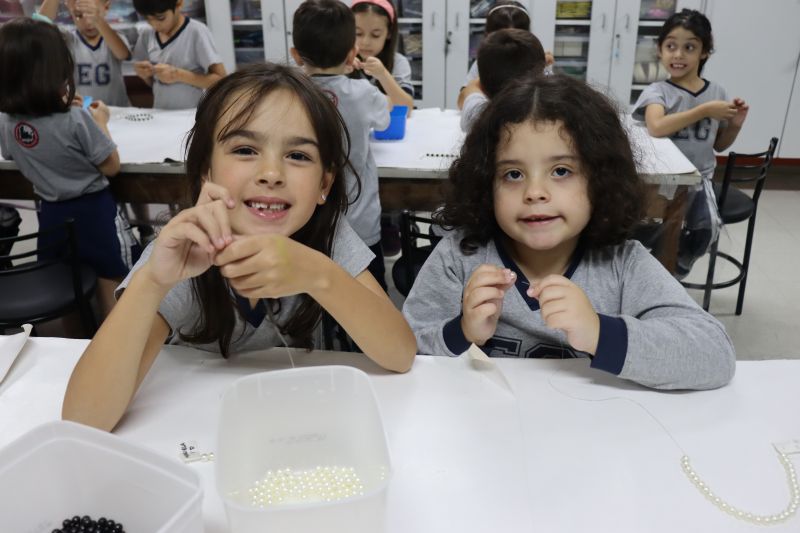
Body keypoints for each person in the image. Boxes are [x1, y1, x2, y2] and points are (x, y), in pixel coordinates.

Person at [62, 63, 417, 431]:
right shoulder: (182, 254)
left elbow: (400, 354)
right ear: (206, 171)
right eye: (245, 149)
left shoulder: (328, 237)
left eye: (298, 156)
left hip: (298, 424)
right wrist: (152, 282)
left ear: (324, 184)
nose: (271, 174)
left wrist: (319, 274)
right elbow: (84, 420)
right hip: (204, 432)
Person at [403, 73, 735, 391]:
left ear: (600, 180)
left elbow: (714, 355)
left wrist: (600, 333)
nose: (535, 192)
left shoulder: (623, 265)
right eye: (513, 174)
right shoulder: (459, 257)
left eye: (561, 171)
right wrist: (461, 331)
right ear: (486, 184)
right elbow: (405, 349)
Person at [0, 17, 139, 319]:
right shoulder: (76, 119)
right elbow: (111, 166)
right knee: (110, 277)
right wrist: (101, 122)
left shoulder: (7, 122)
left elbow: (11, 153)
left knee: (64, 279)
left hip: (51, 214)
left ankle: (75, 338)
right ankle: (114, 335)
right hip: (94, 213)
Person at [632, 9, 748, 277]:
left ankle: (679, 264)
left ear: (704, 52)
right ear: (660, 50)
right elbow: (656, 126)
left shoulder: (716, 92)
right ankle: (652, 269)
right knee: (650, 228)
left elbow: (719, 145)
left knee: (708, 229)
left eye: (689, 48)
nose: (678, 55)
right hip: (661, 181)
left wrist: (735, 125)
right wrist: (703, 110)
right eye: (671, 46)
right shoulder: (658, 91)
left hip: (700, 180)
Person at [292, 0, 391, 290]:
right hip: (360, 219)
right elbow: (384, 121)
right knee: (370, 290)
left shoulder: (290, 93)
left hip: (306, 219)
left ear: (296, 55)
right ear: (352, 54)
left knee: (313, 290)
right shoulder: (364, 93)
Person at [457, 0, 553, 110]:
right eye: (503, 40)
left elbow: (550, 102)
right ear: (488, 37)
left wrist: (538, 64)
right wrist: (486, 71)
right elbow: (462, 100)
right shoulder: (480, 63)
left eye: (516, 40)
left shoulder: (539, 66)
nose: (510, 47)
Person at [131, 0, 226, 109]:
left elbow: (221, 81)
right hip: (160, 111)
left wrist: (178, 75)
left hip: (191, 113)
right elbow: (151, 83)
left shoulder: (197, 32)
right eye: (147, 19)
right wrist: (144, 74)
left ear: (179, 4)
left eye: (161, 18)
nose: (155, 25)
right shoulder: (147, 34)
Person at [37, 0, 132, 107]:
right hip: (83, 110)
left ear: (106, 8)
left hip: (117, 109)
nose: (88, 22)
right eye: (79, 15)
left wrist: (99, 21)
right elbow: (40, 27)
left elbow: (122, 54)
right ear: (70, 10)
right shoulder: (69, 39)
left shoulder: (115, 37)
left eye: (92, 14)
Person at [459, 28, 546, 132]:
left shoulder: (478, 116)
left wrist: (484, 76)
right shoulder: (551, 116)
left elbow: (470, 89)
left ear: (483, 87)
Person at [350, 0, 414, 113]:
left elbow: (407, 109)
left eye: (375, 35)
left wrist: (383, 75)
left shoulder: (398, 62)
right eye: (358, 33)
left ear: (389, 33)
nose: (365, 42)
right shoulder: (342, 61)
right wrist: (341, 68)